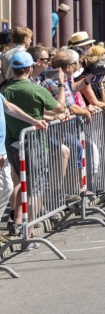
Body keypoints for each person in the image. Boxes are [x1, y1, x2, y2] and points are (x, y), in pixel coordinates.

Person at [2, 51, 67, 239]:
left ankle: (18, 222)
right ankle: (28, 233)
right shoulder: (35, 89)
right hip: (34, 143)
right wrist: (61, 84)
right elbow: (60, 106)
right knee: (35, 189)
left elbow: (16, 111)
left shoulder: (5, 90)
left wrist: (43, 118)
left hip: (12, 143)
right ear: (30, 68)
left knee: (21, 183)